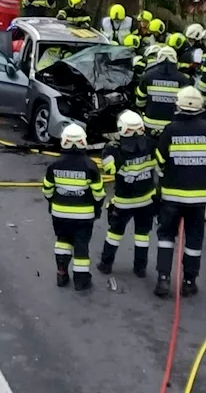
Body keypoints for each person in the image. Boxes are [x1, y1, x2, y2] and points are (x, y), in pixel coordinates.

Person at [153, 87, 206, 298]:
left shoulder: (170, 129)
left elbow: (160, 162)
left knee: (166, 236)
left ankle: (163, 279)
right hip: (199, 198)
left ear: (178, 105)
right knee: (194, 239)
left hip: (172, 195)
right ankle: (189, 282)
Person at [43, 123, 106, 291]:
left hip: (59, 214)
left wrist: (54, 204)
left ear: (64, 141)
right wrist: (97, 208)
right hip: (84, 217)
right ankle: (81, 280)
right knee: (81, 245)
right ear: (83, 142)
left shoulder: (54, 166)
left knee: (63, 241)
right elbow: (99, 194)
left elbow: (47, 190)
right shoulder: (90, 166)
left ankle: (61, 273)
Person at [99, 111, 158, 278]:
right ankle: (140, 268)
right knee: (142, 236)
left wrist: (112, 150)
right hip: (146, 200)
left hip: (124, 201)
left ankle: (105, 264)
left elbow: (109, 169)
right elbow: (161, 162)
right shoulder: (151, 143)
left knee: (114, 234)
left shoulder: (116, 148)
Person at [135, 46, 190, 136]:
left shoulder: (147, 76)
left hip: (151, 125)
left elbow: (140, 102)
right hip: (174, 126)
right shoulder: (183, 79)